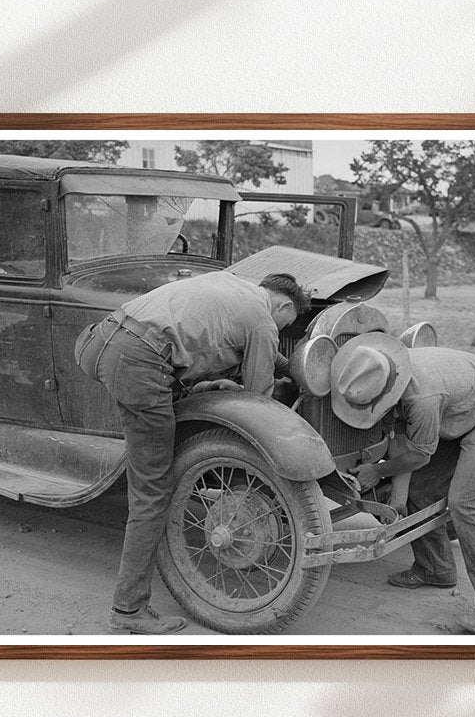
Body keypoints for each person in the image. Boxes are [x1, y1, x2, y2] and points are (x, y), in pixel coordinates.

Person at [75, 270, 309, 635]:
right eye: (287, 322)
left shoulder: (233, 284)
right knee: (153, 492)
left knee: (173, 409)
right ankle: (128, 608)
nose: (280, 329)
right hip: (139, 360)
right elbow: (258, 400)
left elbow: (215, 340)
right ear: (282, 305)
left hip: (102, 337)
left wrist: (293, 366)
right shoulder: (263, 319)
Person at [342, 344, 475, 636]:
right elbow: (405, 444)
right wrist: (399, 500)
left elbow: (418, 455)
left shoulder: (421, 398)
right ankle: (435, 569)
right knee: (421, 487)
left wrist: (377, 471)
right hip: (463, 407)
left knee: (466, 505)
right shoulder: (390, 369)